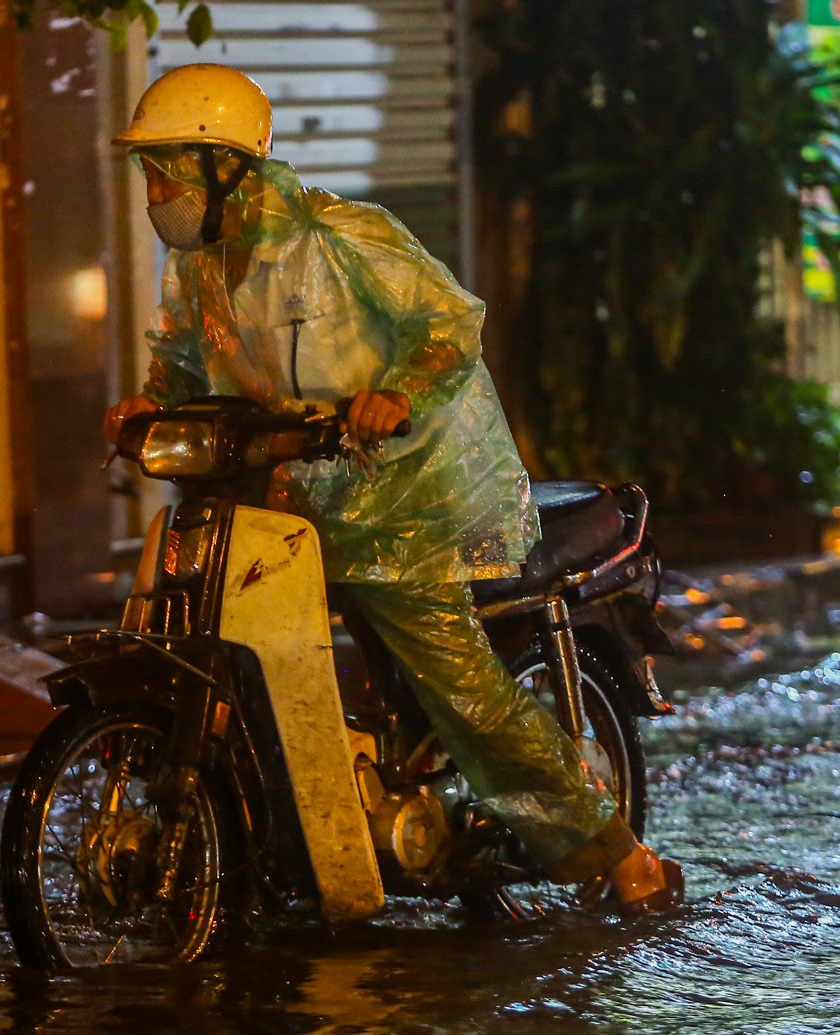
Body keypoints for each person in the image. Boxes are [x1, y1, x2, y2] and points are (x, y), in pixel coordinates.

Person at [103, 65, 681, 915]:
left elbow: (448, 324)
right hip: (288, 495)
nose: (156, 193)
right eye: (150, 173)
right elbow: (185, 359)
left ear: (223, 166)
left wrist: (394, 394)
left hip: (402, 502)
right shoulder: (201, 269)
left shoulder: (343, 235)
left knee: (461, 685)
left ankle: (616, 848)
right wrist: (153, 403)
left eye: (166, 172)